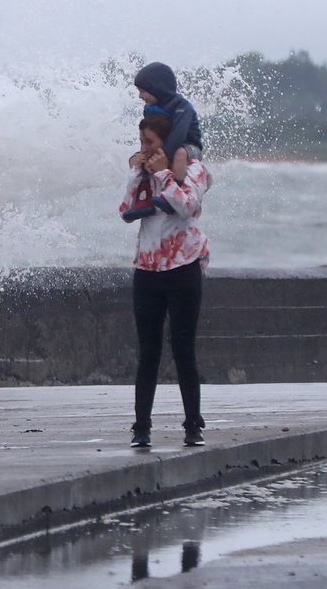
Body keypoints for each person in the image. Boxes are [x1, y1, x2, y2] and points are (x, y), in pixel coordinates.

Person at [119, 113, 212, 447]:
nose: (144, 150)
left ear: (167, 144)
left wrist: (163, 174)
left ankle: (193, 425)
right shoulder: (143, 172)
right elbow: (126, 209)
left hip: (183, 269)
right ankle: (141, 427)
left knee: (183, 348)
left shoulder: (194, 170)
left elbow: (186, 206)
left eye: (150, 143)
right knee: (148, 351)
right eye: (141, 143)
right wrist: (137, 172)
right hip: (147, 271)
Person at [130, 62, 203, 216]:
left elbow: (179, 134)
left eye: (143, 91)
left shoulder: (182, 107)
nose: (140, 96)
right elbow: (147, 133)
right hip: (166, 146)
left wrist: (163, 155)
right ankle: (142, 200)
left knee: (180, 154)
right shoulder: (149, 108)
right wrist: (145, 153)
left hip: (189, 147)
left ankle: (173, 194)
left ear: (157, 89)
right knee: (141, 158)